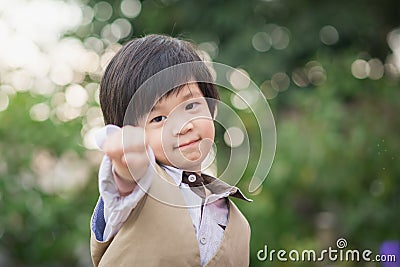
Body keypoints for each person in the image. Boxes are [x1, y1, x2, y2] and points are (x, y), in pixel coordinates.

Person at [90, 34, 252, 267]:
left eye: (190, 105)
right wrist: (127, 163)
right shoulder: (139, 184)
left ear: (212, 110)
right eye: (158, 118)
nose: (182, 126)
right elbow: (125, 180)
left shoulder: (237, 222)